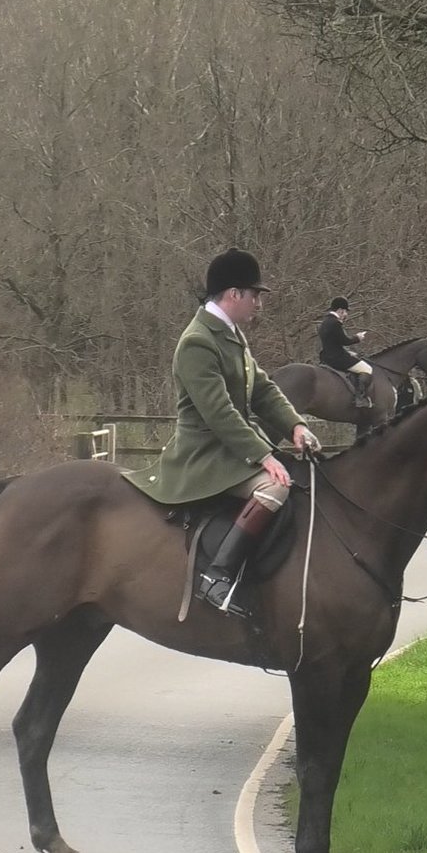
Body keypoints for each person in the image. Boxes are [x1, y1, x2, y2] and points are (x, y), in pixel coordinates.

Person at [125, 247, 320, 613]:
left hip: (231, 447)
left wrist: (295, 425)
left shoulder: (229, 333)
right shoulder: (197, 341)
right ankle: (217, 576)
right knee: (275, 485)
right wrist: (264, 455)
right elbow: (220, 414)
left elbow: (261, 388)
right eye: (255, 295)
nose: (259, 304)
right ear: (234, 294)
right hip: (205, 454)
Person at [318, 296, 373, 408]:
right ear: (340, 310)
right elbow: (345, 340)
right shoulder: (335, 323)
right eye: (345, 312)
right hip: (337, 358)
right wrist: (357, 338)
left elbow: (333, 343)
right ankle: (360, 398)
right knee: (367, 369)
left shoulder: (324, 322)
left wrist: (348, 352)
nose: (346, 315)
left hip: (326, 357)